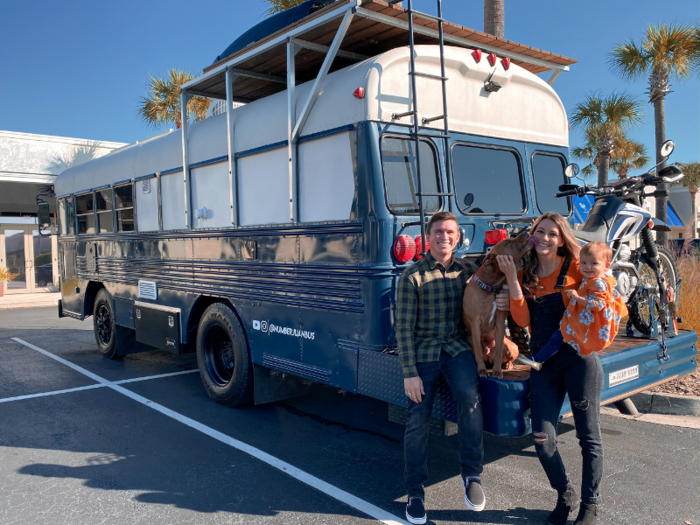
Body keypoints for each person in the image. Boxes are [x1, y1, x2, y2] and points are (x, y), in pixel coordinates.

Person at [495, 212, 602, 525]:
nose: (544, 238)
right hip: (544, 363)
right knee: (542, 438)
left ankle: (590, 506)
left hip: (579, 361)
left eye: (552, 234)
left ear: (561, 239)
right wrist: (513, 281)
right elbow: (523, 321)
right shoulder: (526, 275)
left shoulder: (575, 269)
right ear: (532, 235)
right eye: (539, 232)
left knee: (589, 439)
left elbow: (605, 297)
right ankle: (564, 493)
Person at [397, 211, 485, 525]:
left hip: (458, 348)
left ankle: (472, 475)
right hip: (423, 351)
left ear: (458, 237)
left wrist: (503, 298)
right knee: (418, 417)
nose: (444, 237)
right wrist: (410, 373)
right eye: (438, 231)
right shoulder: (412, 275)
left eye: (450, 232)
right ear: (428, 235)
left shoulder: (469, 271)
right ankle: (415, 491)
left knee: (469, 399)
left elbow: (485, 303)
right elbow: (404, 329)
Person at [535, 241, 628, 363]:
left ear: (606, 266)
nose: (587, 267)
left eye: (594, 263)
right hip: (581, 320)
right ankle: (539, 359)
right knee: (559, 338)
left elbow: (598, 304)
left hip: (583, 322)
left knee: (557, 338)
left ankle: (538, 359)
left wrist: (577, 297)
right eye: (583, 262)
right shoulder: (593, 279)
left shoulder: (597, 282)